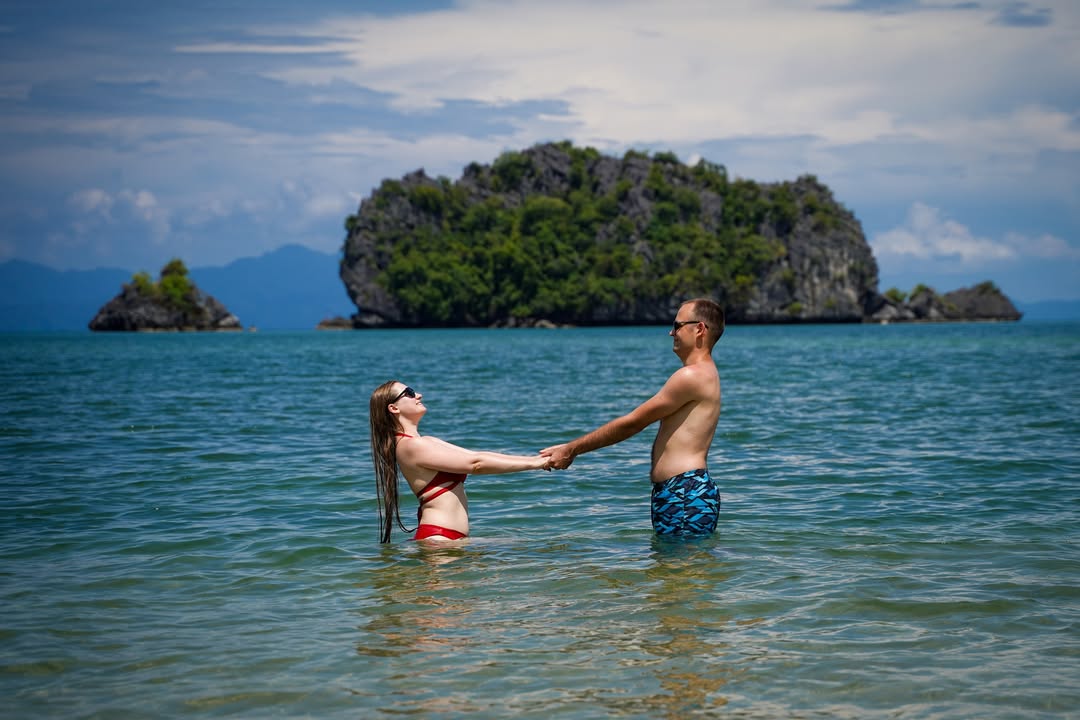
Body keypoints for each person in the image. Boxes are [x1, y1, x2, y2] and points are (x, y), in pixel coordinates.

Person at [541, 298, 725, 537]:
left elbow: (634, 423)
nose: (671, 332)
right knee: (680, 571)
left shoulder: (691, 376)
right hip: (682, 492)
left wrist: (572, 449)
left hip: (684, 493)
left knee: (682, 571)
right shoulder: (705, 374)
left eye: (677, 325)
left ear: (699, 329)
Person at [370, 380, 550, 543]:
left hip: (448, 538)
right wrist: (538, 464)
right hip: (439, 539)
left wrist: (540, 460)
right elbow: (476, 465)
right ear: (394, 408)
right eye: (409, 392)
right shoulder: (412, 445)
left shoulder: (426, 441)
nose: (418, 395)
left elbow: (477, 456)